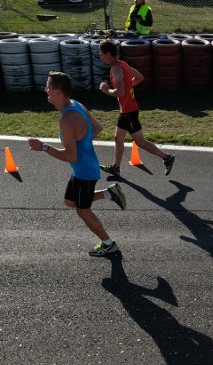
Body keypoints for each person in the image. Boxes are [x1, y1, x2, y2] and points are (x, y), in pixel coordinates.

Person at [29, 71, 127, 257]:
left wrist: (44, 148)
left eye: (48, 86)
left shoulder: (67, 119)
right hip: (84, 168)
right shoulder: (76, 105)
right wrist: (82, 143)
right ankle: (109, 193)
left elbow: (71, 156)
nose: (45, 90)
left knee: (82, 211)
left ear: (58, 92)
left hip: (85, 172)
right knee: (70, 201)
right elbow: (97, 128)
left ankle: (109, 244)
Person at [97, 39, 175, 178]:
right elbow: (139, 77)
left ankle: (166, 157)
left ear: (108, 53)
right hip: (128, 110)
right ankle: (116, 167)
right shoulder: (123, 64)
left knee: (140, 142)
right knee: (118, 138)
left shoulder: (115, 69)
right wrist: (128, 86)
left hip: (129, 111)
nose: (100, 57)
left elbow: (120, 93)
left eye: (101, 54)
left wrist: (106, 90)